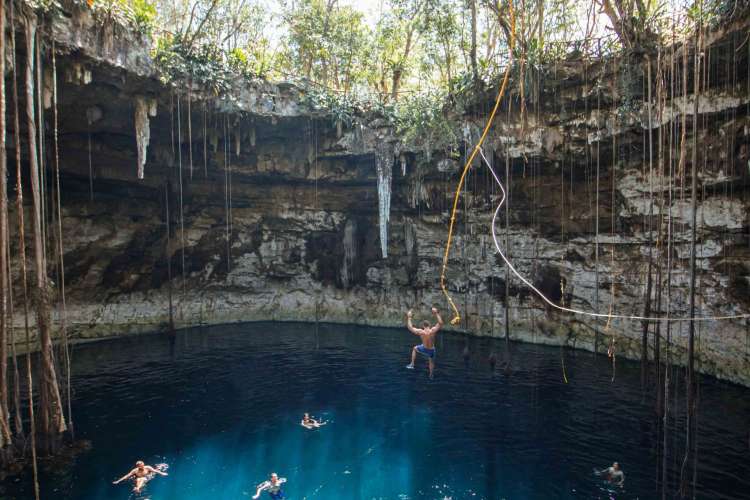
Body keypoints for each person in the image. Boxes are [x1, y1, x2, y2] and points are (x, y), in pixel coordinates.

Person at [405, 307, 443, 377]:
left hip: (424, 348)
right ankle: (431, 375)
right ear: (429, 325)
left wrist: (409, 317)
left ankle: (412, 364)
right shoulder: (432, 331)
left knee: (414, 348)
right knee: (431, 362)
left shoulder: (421, 332)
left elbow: (410, 327)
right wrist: (436, 313)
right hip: (431, 350)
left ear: (423, 326)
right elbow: (440, 323)